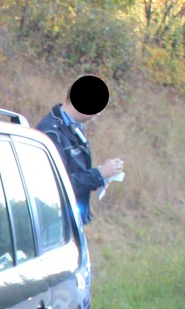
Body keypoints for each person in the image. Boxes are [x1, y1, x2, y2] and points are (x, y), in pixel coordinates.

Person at [37, 75, 124, 225]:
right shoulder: (51, 134)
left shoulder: (75, 127)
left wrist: (102, 176)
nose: (98, 114)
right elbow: (55, 186)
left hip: (71, 222)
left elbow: (75, 172)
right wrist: (98, 174)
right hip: (55, 225)